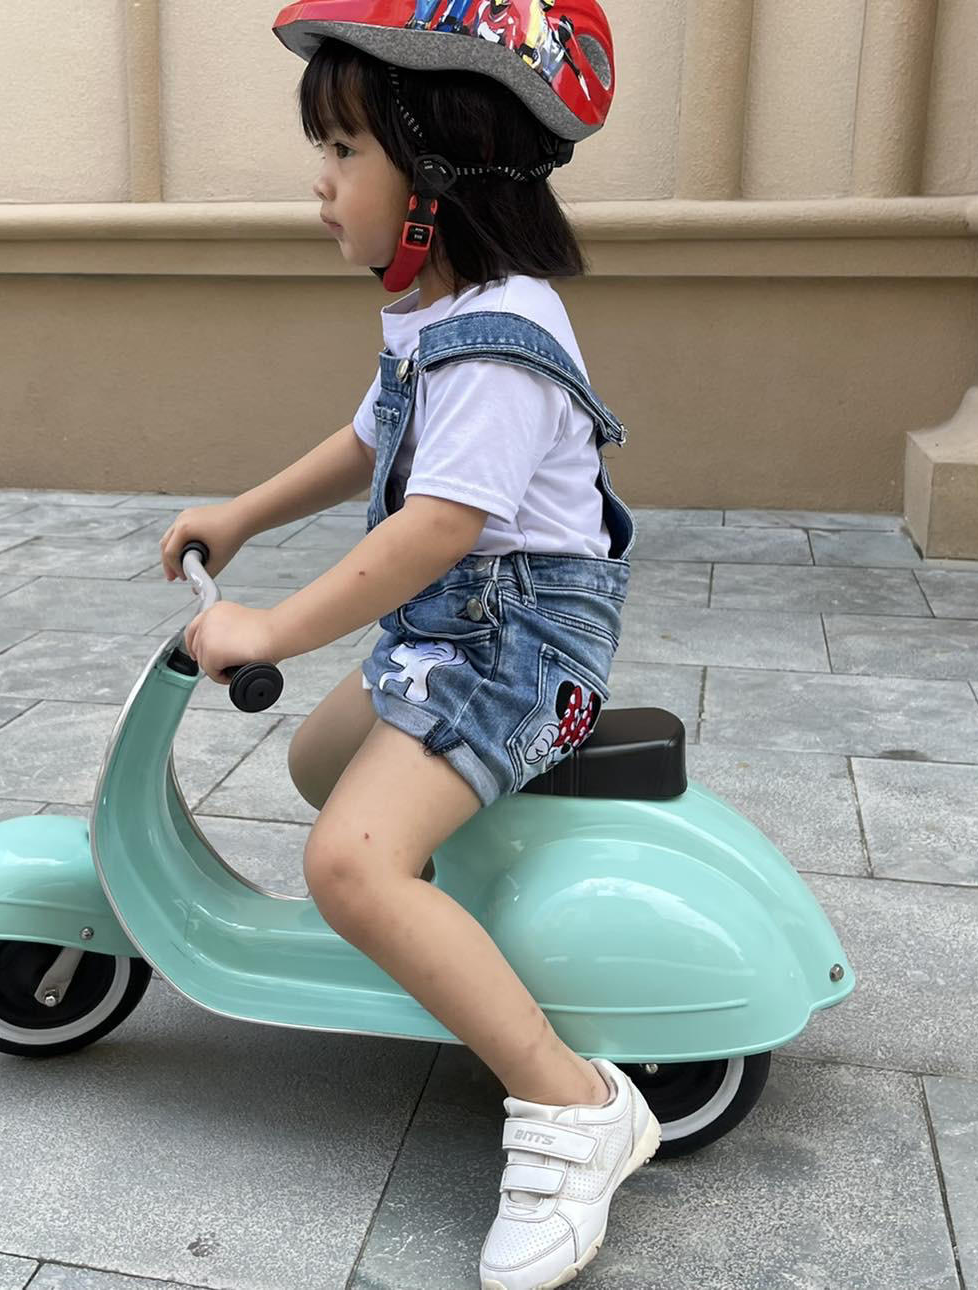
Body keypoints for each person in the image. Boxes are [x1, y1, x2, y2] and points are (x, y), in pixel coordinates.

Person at [158, 5, 651, 1287]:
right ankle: (445, 930)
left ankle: (575, 1111)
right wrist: (242, 515)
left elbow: (436, 529)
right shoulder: (438, 314)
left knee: (346, 864)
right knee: (318, 761)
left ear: (440, 170)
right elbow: (372, 440)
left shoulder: (498, 343)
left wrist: (272, 624)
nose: (320, 184)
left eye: (344, 151)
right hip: (458, 633)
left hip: (518, 646)